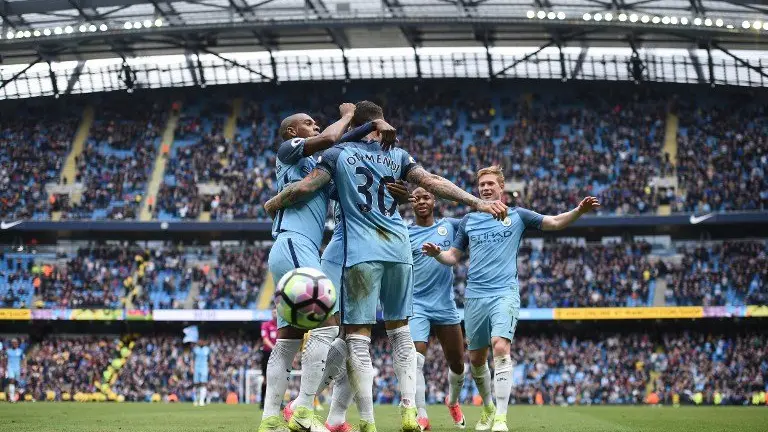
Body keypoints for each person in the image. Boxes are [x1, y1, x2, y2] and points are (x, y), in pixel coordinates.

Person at [264, 101, 506, 432]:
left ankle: (347, 417)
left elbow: (310, 187)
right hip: (398, 248)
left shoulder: (336, 157)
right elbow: (432, 181)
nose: (322, 127)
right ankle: (407, 412)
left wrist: (275, 201)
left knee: (352, 337)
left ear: (353, 128)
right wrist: (476, 202)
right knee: (399, 334)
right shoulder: (399, 157)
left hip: (357, 251)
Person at [422, 166, 600, 432]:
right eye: (481, 184)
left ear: (501, 187)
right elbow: (453, 258)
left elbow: (552, 222)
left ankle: (501, 419)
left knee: (501, 347)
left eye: (490, 183)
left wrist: (578, 212)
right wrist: (438, 253)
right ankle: (487, 409)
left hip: (504, 293)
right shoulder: (470, 221)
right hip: (475, 297)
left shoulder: (518, 216)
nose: (485, 188)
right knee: (477, 359)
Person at [262, 104, 397, 432]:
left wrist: (370, 131)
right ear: (293, 132)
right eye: (307, 123)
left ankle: (269, 419)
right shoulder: (287, 151)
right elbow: (332, 136)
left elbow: (341, 148)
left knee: (288, 339)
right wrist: (351, 114)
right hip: (294, 244)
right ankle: (304, 410)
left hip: (296, 248)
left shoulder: (316, 166)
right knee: (330, 325)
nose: (314, 125)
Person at [407, 187, 466, 431]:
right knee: (415, 359)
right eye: (416, 198)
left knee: (458, 365)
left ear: (434, 200)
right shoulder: (405, 232)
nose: (421, 201)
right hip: (416, 304)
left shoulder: (450, 226)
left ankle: (452, 401)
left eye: (426, 197)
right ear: (411, 203)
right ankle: (421, 415)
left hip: (445, 305)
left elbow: (477, 221)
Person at [260, 310, 278, 410]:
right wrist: (274, 347)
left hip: (279, 355)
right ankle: (262, 402)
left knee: (279, 379)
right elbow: (265, 339)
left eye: (276, 312)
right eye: (273, 312)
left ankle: (277, 402)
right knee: (266, 379)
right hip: (267, 354)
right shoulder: (266, 325)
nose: (275, 314)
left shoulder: (281, 326)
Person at [192, 339, 211, 407]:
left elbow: (209, 359)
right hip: (197, 368)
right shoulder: (195, 349)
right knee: (196, 384)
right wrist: (192, 368)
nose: (201, 342)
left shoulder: (207, 349)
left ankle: (201, 401)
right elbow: (193, 359)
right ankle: (195, 400)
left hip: (204, 368)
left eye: (202, 341)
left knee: (203, 384)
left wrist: (211, 368)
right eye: (200, 341)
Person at [3, 339, 23, 403]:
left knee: (16, 383)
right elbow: (5, 360)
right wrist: (5, 368)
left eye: (15, 343)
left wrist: (24, 368)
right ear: (11, 344)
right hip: (10, 368)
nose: (14, 344)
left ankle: (16, 396)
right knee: (12, 381)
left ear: (17, 343)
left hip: (18, 369)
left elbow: (23, 359)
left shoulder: (20, 351)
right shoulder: (8, 351)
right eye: (13, 343)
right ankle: (12, 398)